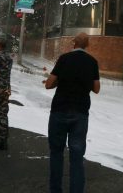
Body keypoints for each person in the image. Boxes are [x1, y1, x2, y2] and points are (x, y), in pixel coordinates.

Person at [44, 32, 100, 193]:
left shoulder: (64, 59)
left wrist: (61, 80)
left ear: (74, 43)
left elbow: (49, 84)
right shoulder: (92, 62)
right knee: (76, 158)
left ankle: (56, 190)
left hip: (60, 110)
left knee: (56, 153)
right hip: (80, 113)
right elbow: (96, 88)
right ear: (87, 45)